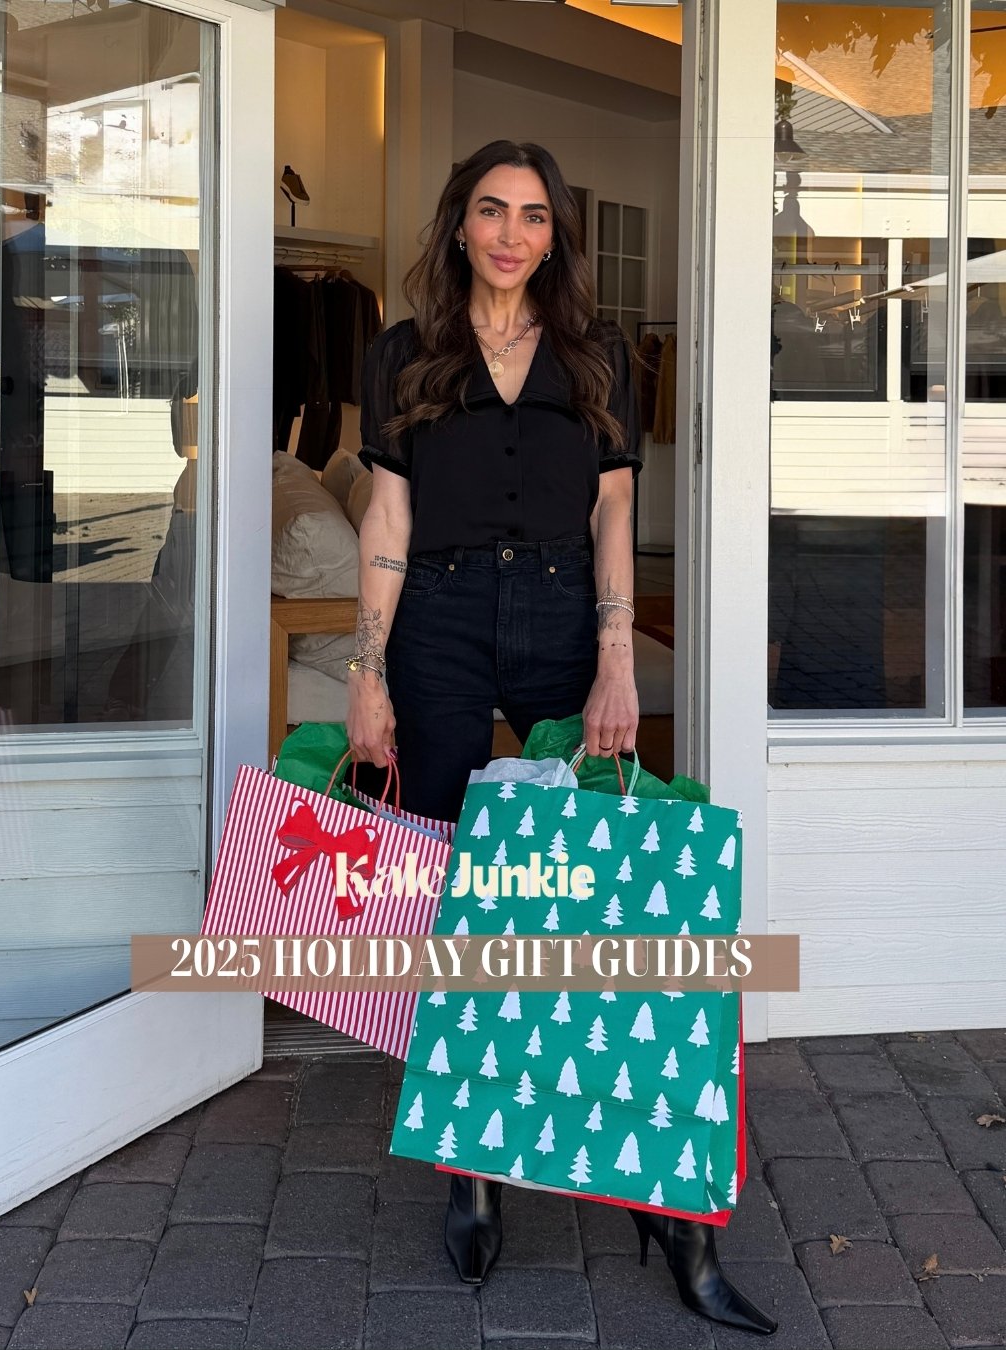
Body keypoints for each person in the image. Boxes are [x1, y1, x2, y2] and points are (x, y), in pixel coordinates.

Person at [346, 140, 776, 1337]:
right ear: (459, 223)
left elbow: (615, 515)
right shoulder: (402, 353)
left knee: (578, 885)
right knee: (443, 885)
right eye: (491, 210)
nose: (510, 235)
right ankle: (470, 1167)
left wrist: (619, 662)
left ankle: (616, 1146)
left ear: (556, 239)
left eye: (534, 217)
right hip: (433, 618)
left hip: (553, 619)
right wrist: (369, 671)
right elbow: (387, 510)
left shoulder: (594, 358)